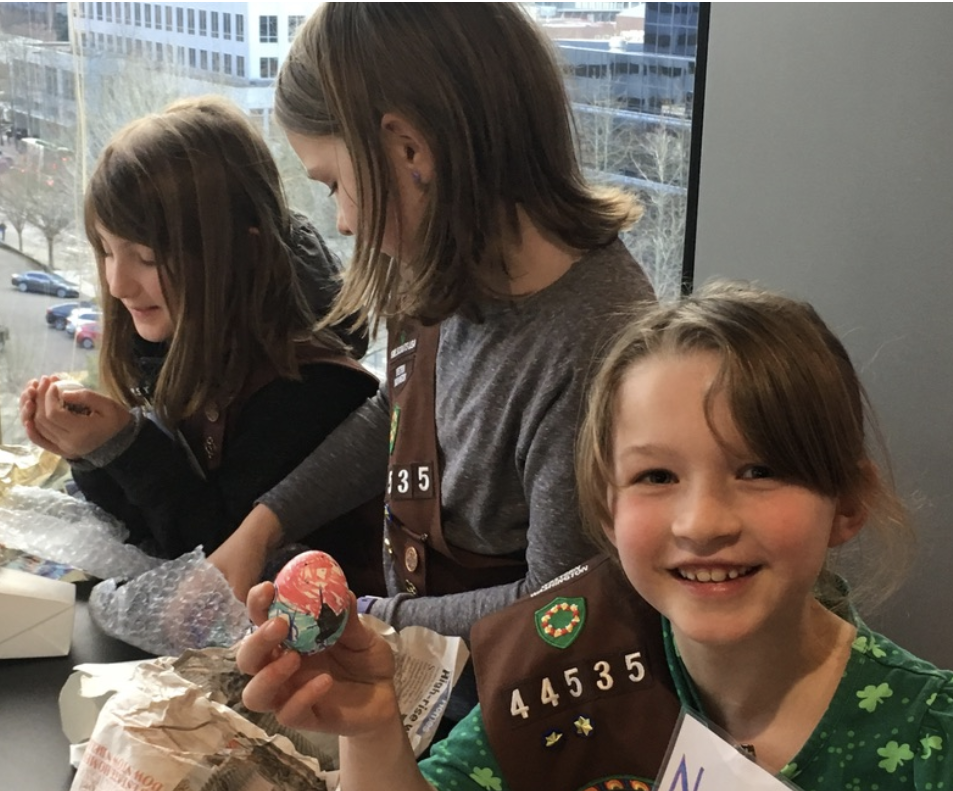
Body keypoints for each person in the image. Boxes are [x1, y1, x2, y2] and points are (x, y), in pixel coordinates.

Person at [235, 283, 953, 791]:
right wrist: (373, 727)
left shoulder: (946, 750)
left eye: (760, 469)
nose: (702, 523)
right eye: (657, 478)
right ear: (608, 504)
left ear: (846, 505)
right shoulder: (571, 664)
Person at [209, 3, 654, 667]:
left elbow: (557, 605)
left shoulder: (595, 351)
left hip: (506, 717)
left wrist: (359, 620)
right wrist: (264, 524)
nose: (342, 224)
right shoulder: (441, 264)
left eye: (335, 184)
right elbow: (400, 410)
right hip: (420, 666)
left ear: (409, 150)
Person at [18, 96, 382, 585]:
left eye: (146, 258)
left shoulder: (312, 391)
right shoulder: (181, 345)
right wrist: (92, 452)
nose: (117, 284)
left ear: (243, 253)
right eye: (106, 251)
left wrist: (128, 447)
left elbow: (220, 562)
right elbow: (149, 523)